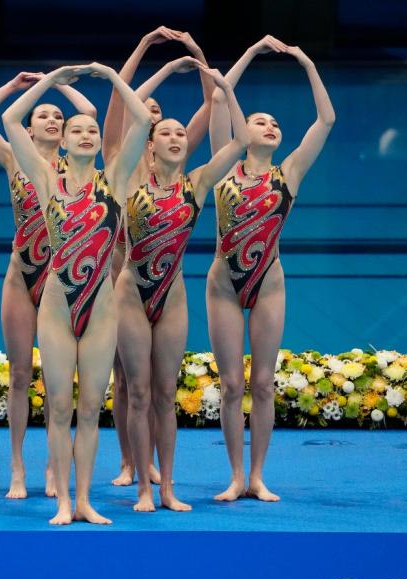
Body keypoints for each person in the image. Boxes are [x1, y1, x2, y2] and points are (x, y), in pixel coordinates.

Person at [3, 63, 151, 525]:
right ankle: (64, 501)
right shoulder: (46, 179)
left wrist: (111, 77)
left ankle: (84, 499)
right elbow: (10, 121)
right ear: (63, 142)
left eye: (91, 130)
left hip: (102, 309)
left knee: (90, 409)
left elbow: (143, 121)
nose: (87, 135)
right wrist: (51, 82)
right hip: (55, 308)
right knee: (61, 408)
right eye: (77, 130)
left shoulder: (117, 180)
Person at [116, 61, 249, 512]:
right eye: (164, 133)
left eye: (179, 133)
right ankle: (142, 488)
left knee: (166, 395)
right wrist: (159, 65)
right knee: (137, 393)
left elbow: (241, 142)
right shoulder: (129, 178)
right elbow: (125, 114)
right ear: (149, 146)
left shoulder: (198, 183)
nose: (175, 138)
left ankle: (168, 486)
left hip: (171, 295)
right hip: (132, 292)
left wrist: (224, 87)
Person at [207, 36, 335, 502]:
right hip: (222, 285)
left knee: (262, 383)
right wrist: (251, 53)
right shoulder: (223, 167)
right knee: (231, 385)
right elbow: (221, 96)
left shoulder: (290, 173)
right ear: (245, 131)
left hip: (270, 285)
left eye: (275, 123)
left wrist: (305, 61)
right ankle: (235, 475)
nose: (269, 126)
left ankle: (258, 475)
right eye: (260, 121)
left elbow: (326, 119)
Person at [101, 27, 213, 488]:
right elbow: (116, 102)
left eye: (162, 118)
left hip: (165, 282)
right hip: (114, 275)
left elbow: (213, 108)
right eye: (146, 117)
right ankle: (130, 461)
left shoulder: (180, 169)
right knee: (125, 380)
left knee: (151, 385)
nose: (155, 122)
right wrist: (148, 50)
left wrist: (199, 56)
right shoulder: (118, 161)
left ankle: (149, 465)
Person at [0, 72, 96, 499]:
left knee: (58, 379)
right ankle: (17, 466)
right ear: (29, 128)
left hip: (61, 282)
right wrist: (13, 87)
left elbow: (90, 114)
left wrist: (59, 83)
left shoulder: (77, 165)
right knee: (20, 375)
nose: (50, 120)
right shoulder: (15, 158)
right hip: (21, 275)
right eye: (42, 115)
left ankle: (52, 464)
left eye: (57, 117)